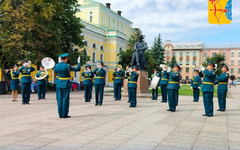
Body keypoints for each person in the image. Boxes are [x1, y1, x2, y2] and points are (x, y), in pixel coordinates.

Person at [54, 53, 81, 118]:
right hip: (65, 82)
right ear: (66, 59)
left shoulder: (57, 65)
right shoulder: (67, 66)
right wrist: (79, 62)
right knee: (65, 99)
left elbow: (55, 71)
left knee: (59, 98)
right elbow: (77, 69)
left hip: (58, 82)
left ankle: (60, 114)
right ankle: (64, 114)